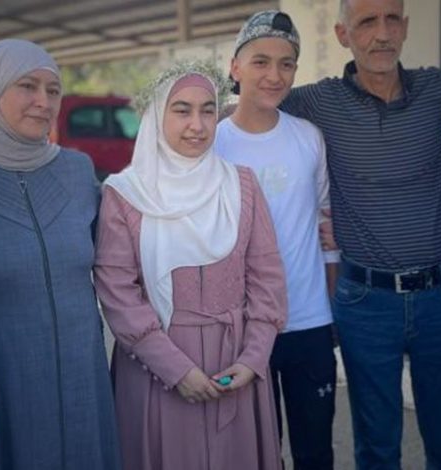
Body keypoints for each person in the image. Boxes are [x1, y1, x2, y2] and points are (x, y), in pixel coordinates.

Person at [278, 1, 441, 468]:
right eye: (367, 22)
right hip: (365, 302)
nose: (382, 33)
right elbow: (255, 104)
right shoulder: (316, 101)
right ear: (343, 35)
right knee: (377, 449)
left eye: (391, 20)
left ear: (405, 27)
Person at [0, 39, 120, 470]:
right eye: (27, 86)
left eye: (53, 90)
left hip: (82, 380)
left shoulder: (77, 170)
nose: (43, 102)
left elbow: (120, 260)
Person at [94, 61, 287, 470]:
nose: (197, 125)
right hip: (157, 368)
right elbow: (118, 294)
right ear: (156, 116)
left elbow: (267, 279)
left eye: (208, 110)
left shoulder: (242, 185)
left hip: (236, 361)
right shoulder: (125, 194)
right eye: (182, 110)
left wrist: (252, 360)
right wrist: (177, 371)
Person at [215, 10, 339, 470]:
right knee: (258, 454)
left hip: (309, 321)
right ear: (235, 67)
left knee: (315, 452)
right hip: (243, 326)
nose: (274, 75)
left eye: (286, 64)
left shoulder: (308, 137)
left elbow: (325, 224)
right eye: (261, 62)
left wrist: (331, 305)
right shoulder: (212, 143)